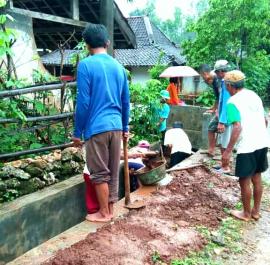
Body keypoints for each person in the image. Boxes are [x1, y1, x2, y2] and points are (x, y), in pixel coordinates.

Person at [72, 23, 130, 222]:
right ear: (107, 42)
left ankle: (104, 213)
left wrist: (77, 132)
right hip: (116, 126)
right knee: (113, 171)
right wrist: (126, 127)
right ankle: (110, 210)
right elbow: (125, 101)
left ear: (87, 45)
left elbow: (84, 102)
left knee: (99, 173)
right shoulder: (119, 68)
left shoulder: (86, 65)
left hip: (96, 128)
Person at [222, 70, 269, 221]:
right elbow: (265, 120)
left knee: (244, 180)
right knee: (257, 176)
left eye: (225, 85)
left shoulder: (232, 102)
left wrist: (227, 151)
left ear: (229, 85)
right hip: (262, 141)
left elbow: (237, 127)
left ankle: (246, 213)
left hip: (247, 145)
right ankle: (255, 211)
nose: (225, 88)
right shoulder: (254, 95)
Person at [199, 64, 220, 157]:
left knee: (211, 128)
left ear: (205, 73)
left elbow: (222, 97)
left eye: (202, 76)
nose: (203, 79)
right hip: (223, 109)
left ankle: (211, 150)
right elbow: (218, 97)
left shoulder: (217, 81)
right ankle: (212, 149)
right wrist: (213, 108)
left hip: (225, 110)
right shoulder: (215, 80)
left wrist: (218, 111)